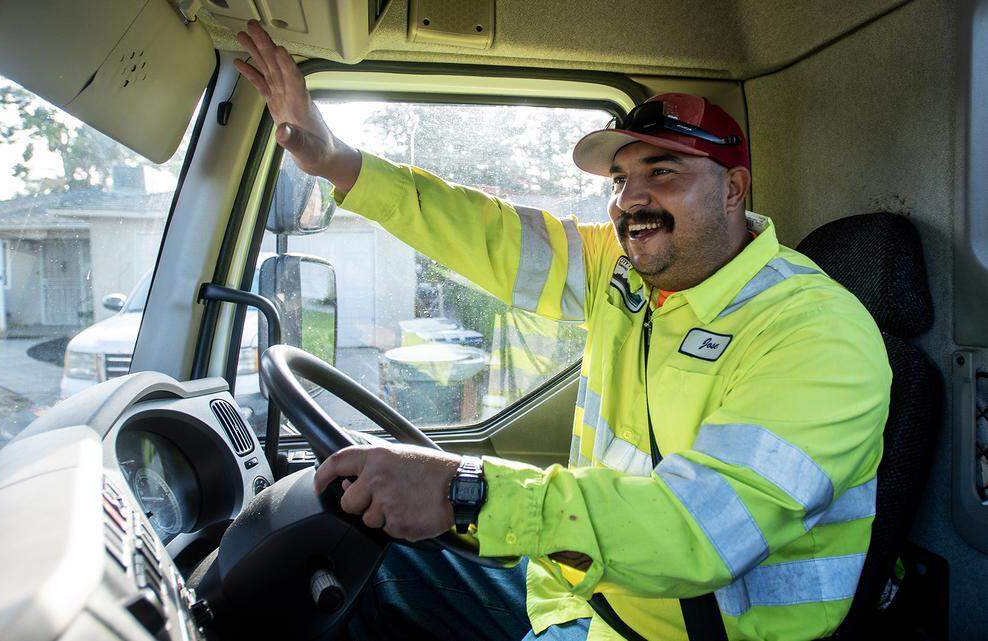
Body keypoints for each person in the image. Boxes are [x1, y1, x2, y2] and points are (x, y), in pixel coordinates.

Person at [234, 20, 890, 641]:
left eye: (662, 172)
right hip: (578, 589)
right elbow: (486, 234)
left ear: (733, 190)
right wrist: (337, 161)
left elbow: (699, 530)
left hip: (668, 629)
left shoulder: (817, 335)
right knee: (355, 556)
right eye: (621, 179)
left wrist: (462, 489)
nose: (630, 199)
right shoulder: (625, 274)